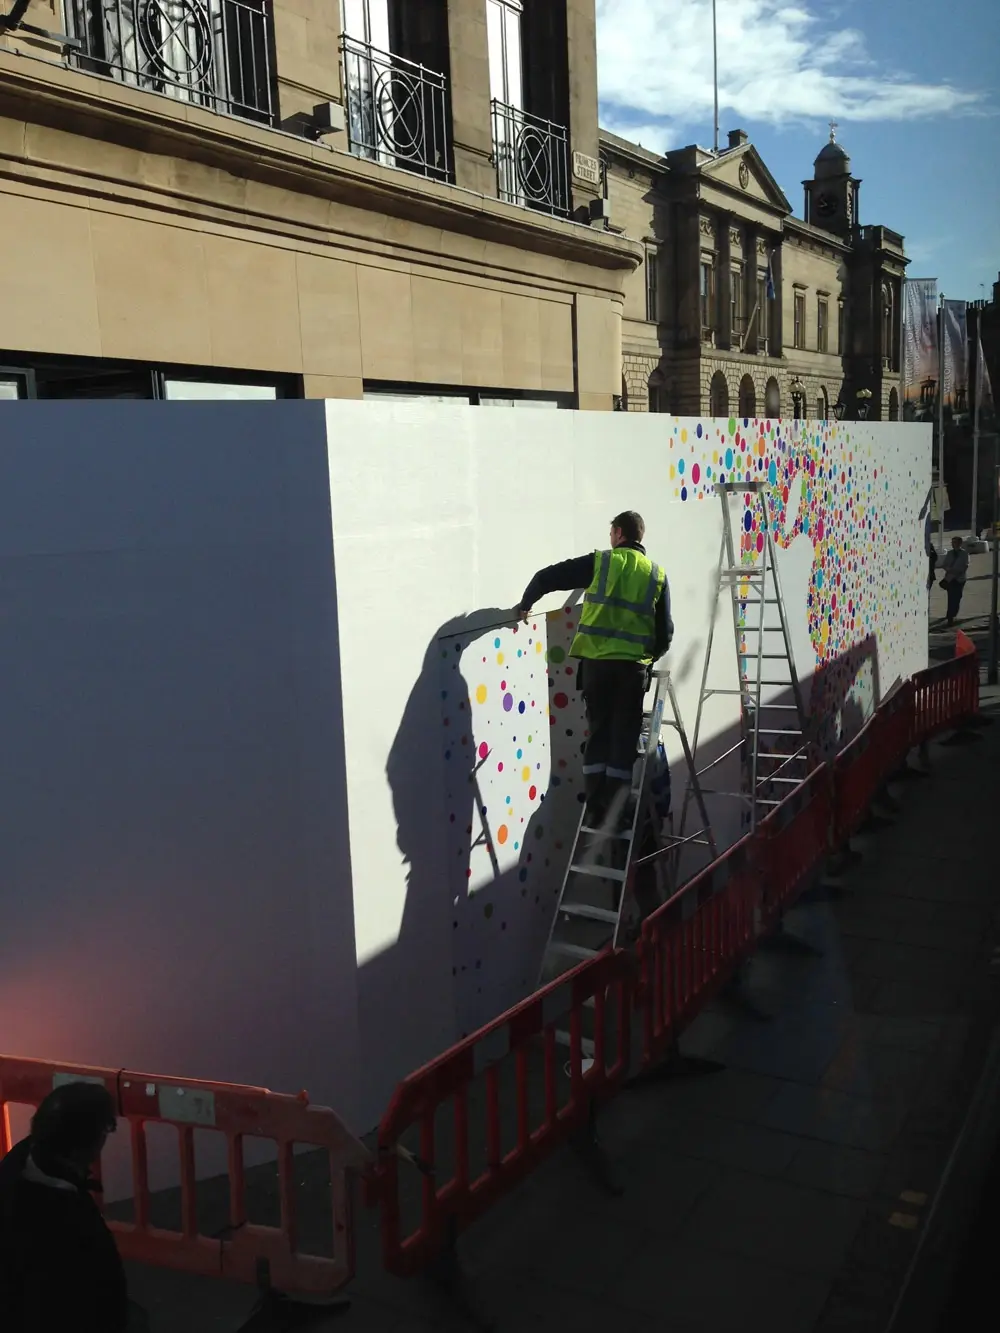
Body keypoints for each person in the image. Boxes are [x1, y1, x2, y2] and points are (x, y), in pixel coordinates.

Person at [515, 511, 673, 827]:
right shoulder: (656, 574)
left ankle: (596, 806)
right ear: (639, 537)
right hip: (631, 671)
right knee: (623, 738)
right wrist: (649, 657)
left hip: (596, 669)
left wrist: (526, 602)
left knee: (598, 731)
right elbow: (665, 631)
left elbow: (549, 576)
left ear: (618, 533)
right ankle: (617, 808)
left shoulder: (601, 563)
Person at [0, 1081, 146, 1332]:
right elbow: (98, 1294)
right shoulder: (67, 1218)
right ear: (89, 1143)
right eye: (107, 1128)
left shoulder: (16, 1166)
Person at [940, 535, 969, 626]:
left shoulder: (964, 553)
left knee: (957, 597)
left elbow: (965, 565)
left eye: (955, 542)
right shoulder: (949, 553)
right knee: (951, 597)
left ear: (960, 543)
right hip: (950, 579)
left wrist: (958, 572)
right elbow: (944, 564)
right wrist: (948, 569)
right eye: (952, 542)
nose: (953, 544)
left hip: (960, 579)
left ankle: (954, 613)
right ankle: (950, 616)